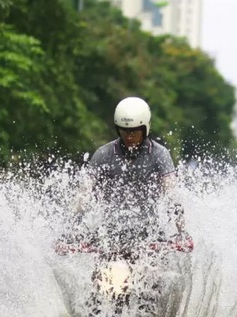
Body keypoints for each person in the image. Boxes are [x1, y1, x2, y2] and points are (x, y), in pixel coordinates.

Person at [68, 96, 187, 245]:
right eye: (125, 131)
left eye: (134, 132)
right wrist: (70, 231)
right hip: (110, 234)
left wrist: (182, 232)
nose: (129, 137)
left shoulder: (159, 154)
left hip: (149, 234)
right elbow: (84, 193)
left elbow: (172, 195)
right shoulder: (103, 154)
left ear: (145, 129)